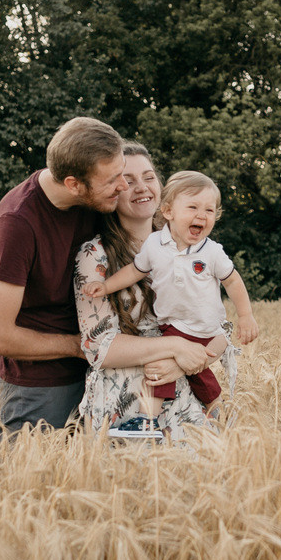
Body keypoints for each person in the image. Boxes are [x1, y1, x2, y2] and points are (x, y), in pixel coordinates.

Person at [0, 116, 129, 434]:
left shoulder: (96, 198)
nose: (124, 186)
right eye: (112, 179)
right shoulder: (17, 223)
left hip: (104, 368)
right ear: (74, 184)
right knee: (40, 478)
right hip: (41, 383)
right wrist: (81, 346)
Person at [87, 169, 258, 431]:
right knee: (168, 375)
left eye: (210, 210)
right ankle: (149, 422)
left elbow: (232, 281)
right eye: (192, 207)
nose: (202, 215)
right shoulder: (155, 244)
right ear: (168, 212)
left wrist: (245, 315)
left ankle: (218, 417)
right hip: (173, 327)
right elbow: (135, 271)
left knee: (193, 378)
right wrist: (106, 285)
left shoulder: (212, 252)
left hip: (206, 328)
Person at [73, 144, 224, 438]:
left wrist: (182, 366)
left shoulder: (191, 247)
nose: (141, 187)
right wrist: (177, 349)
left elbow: (219, 329)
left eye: (149, 177)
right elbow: (98, 348)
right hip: (126, 403)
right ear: (113, 191)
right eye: (128, 180)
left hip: (186, 396)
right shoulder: (94, 256)